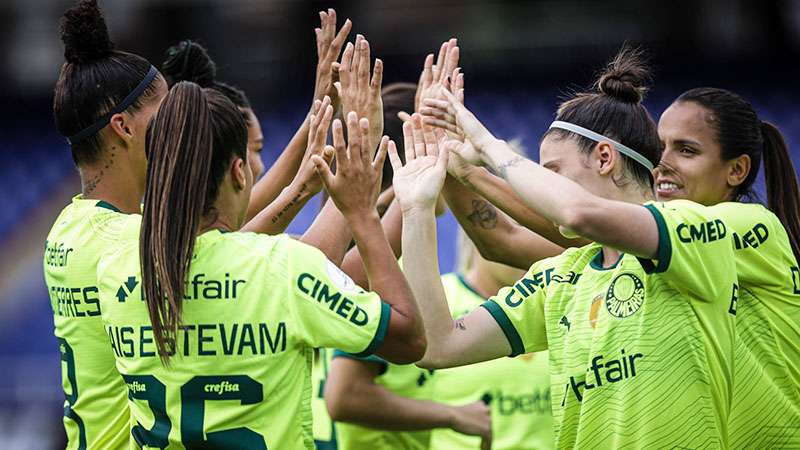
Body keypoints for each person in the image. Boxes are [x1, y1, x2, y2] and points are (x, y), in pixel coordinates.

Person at [401, 49, 739, 448]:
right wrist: (417, 208)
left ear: (604, 157)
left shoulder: (694, 231)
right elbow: (439, 346)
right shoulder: (560, 274)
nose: (540, 188)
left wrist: (488, 147)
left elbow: (577, 213)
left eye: (552, 172)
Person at [97, 82, 425, 449]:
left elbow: (245, 263)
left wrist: (309, 192)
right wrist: (361, 210)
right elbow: (409, 339)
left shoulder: (115, 269)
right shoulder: (282, 267)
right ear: (239, 172)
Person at [322, 82, 490, 450]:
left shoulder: (360, 238)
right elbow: (345, 394)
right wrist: (453, 414)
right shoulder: (377, 260)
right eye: (430, 141)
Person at [44, 1, 168, 448]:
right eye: (165, 113)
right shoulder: (122, 240)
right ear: (125, 127)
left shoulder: (70, 226)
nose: (179, 125)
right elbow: (243, 263)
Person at [656, 88, 800, 447]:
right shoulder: (675, 237)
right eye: (660, 145)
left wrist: (491, 152)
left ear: (736, 170)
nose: (662, 162)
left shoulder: (748, 223)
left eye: (686, 150)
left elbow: (577, 221)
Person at [429, 229, 554, 450]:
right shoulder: (438, 304)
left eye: (535, 231)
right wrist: (451, 416)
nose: (526, 245)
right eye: (513, 228)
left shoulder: (559, 300)